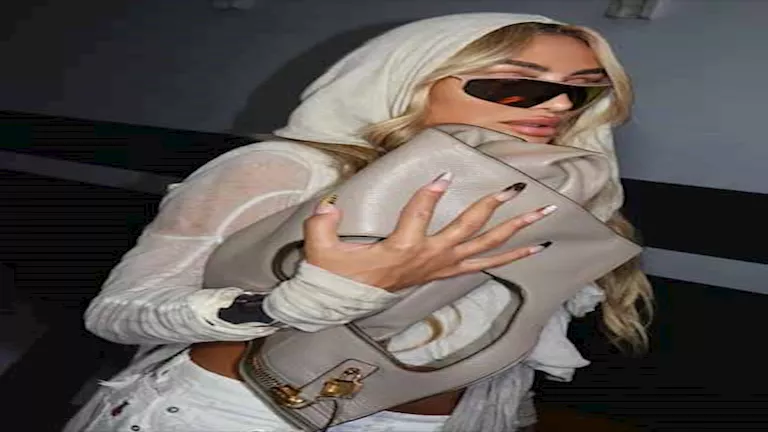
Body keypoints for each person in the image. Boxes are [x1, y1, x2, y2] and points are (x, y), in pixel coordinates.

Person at [64, 12, 653, 432]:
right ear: (411, 81)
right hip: (238, 415)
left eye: (580, 92)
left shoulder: (562, 189)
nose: (557, 106)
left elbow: (509, 345)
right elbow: (118, 313)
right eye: (512, 84)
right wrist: (298, 302)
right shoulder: (290, 169)